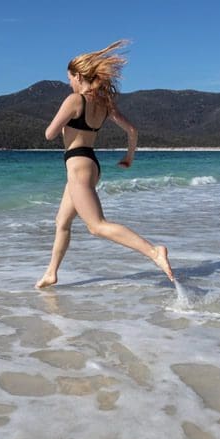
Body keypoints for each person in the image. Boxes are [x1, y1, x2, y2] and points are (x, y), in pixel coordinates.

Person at [36, 40, 175, 289]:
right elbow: (132, 130)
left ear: (78, 76)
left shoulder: (74, 100)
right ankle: (51, 272)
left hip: (78, 166)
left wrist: (63, 121)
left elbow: (49, 134)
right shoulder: (103, 104)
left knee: (96, 225)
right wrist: (129, 157)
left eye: (69, 78)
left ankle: (154, 251)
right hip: (90, 164)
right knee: (62, 222)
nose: (69, 83)